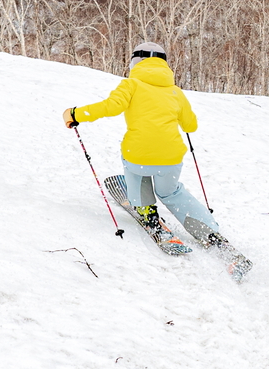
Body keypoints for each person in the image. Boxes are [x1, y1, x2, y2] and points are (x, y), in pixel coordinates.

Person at [63, 41, 220, 243]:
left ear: (135, 63)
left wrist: (75, 114)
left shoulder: (131, 85)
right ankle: (208, 230)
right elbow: (191, 125)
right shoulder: (175, 92)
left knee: (138, 168)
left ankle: (147, 209)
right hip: (171, 159)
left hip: (138, 157)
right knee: (170, 192)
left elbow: (109, 107)